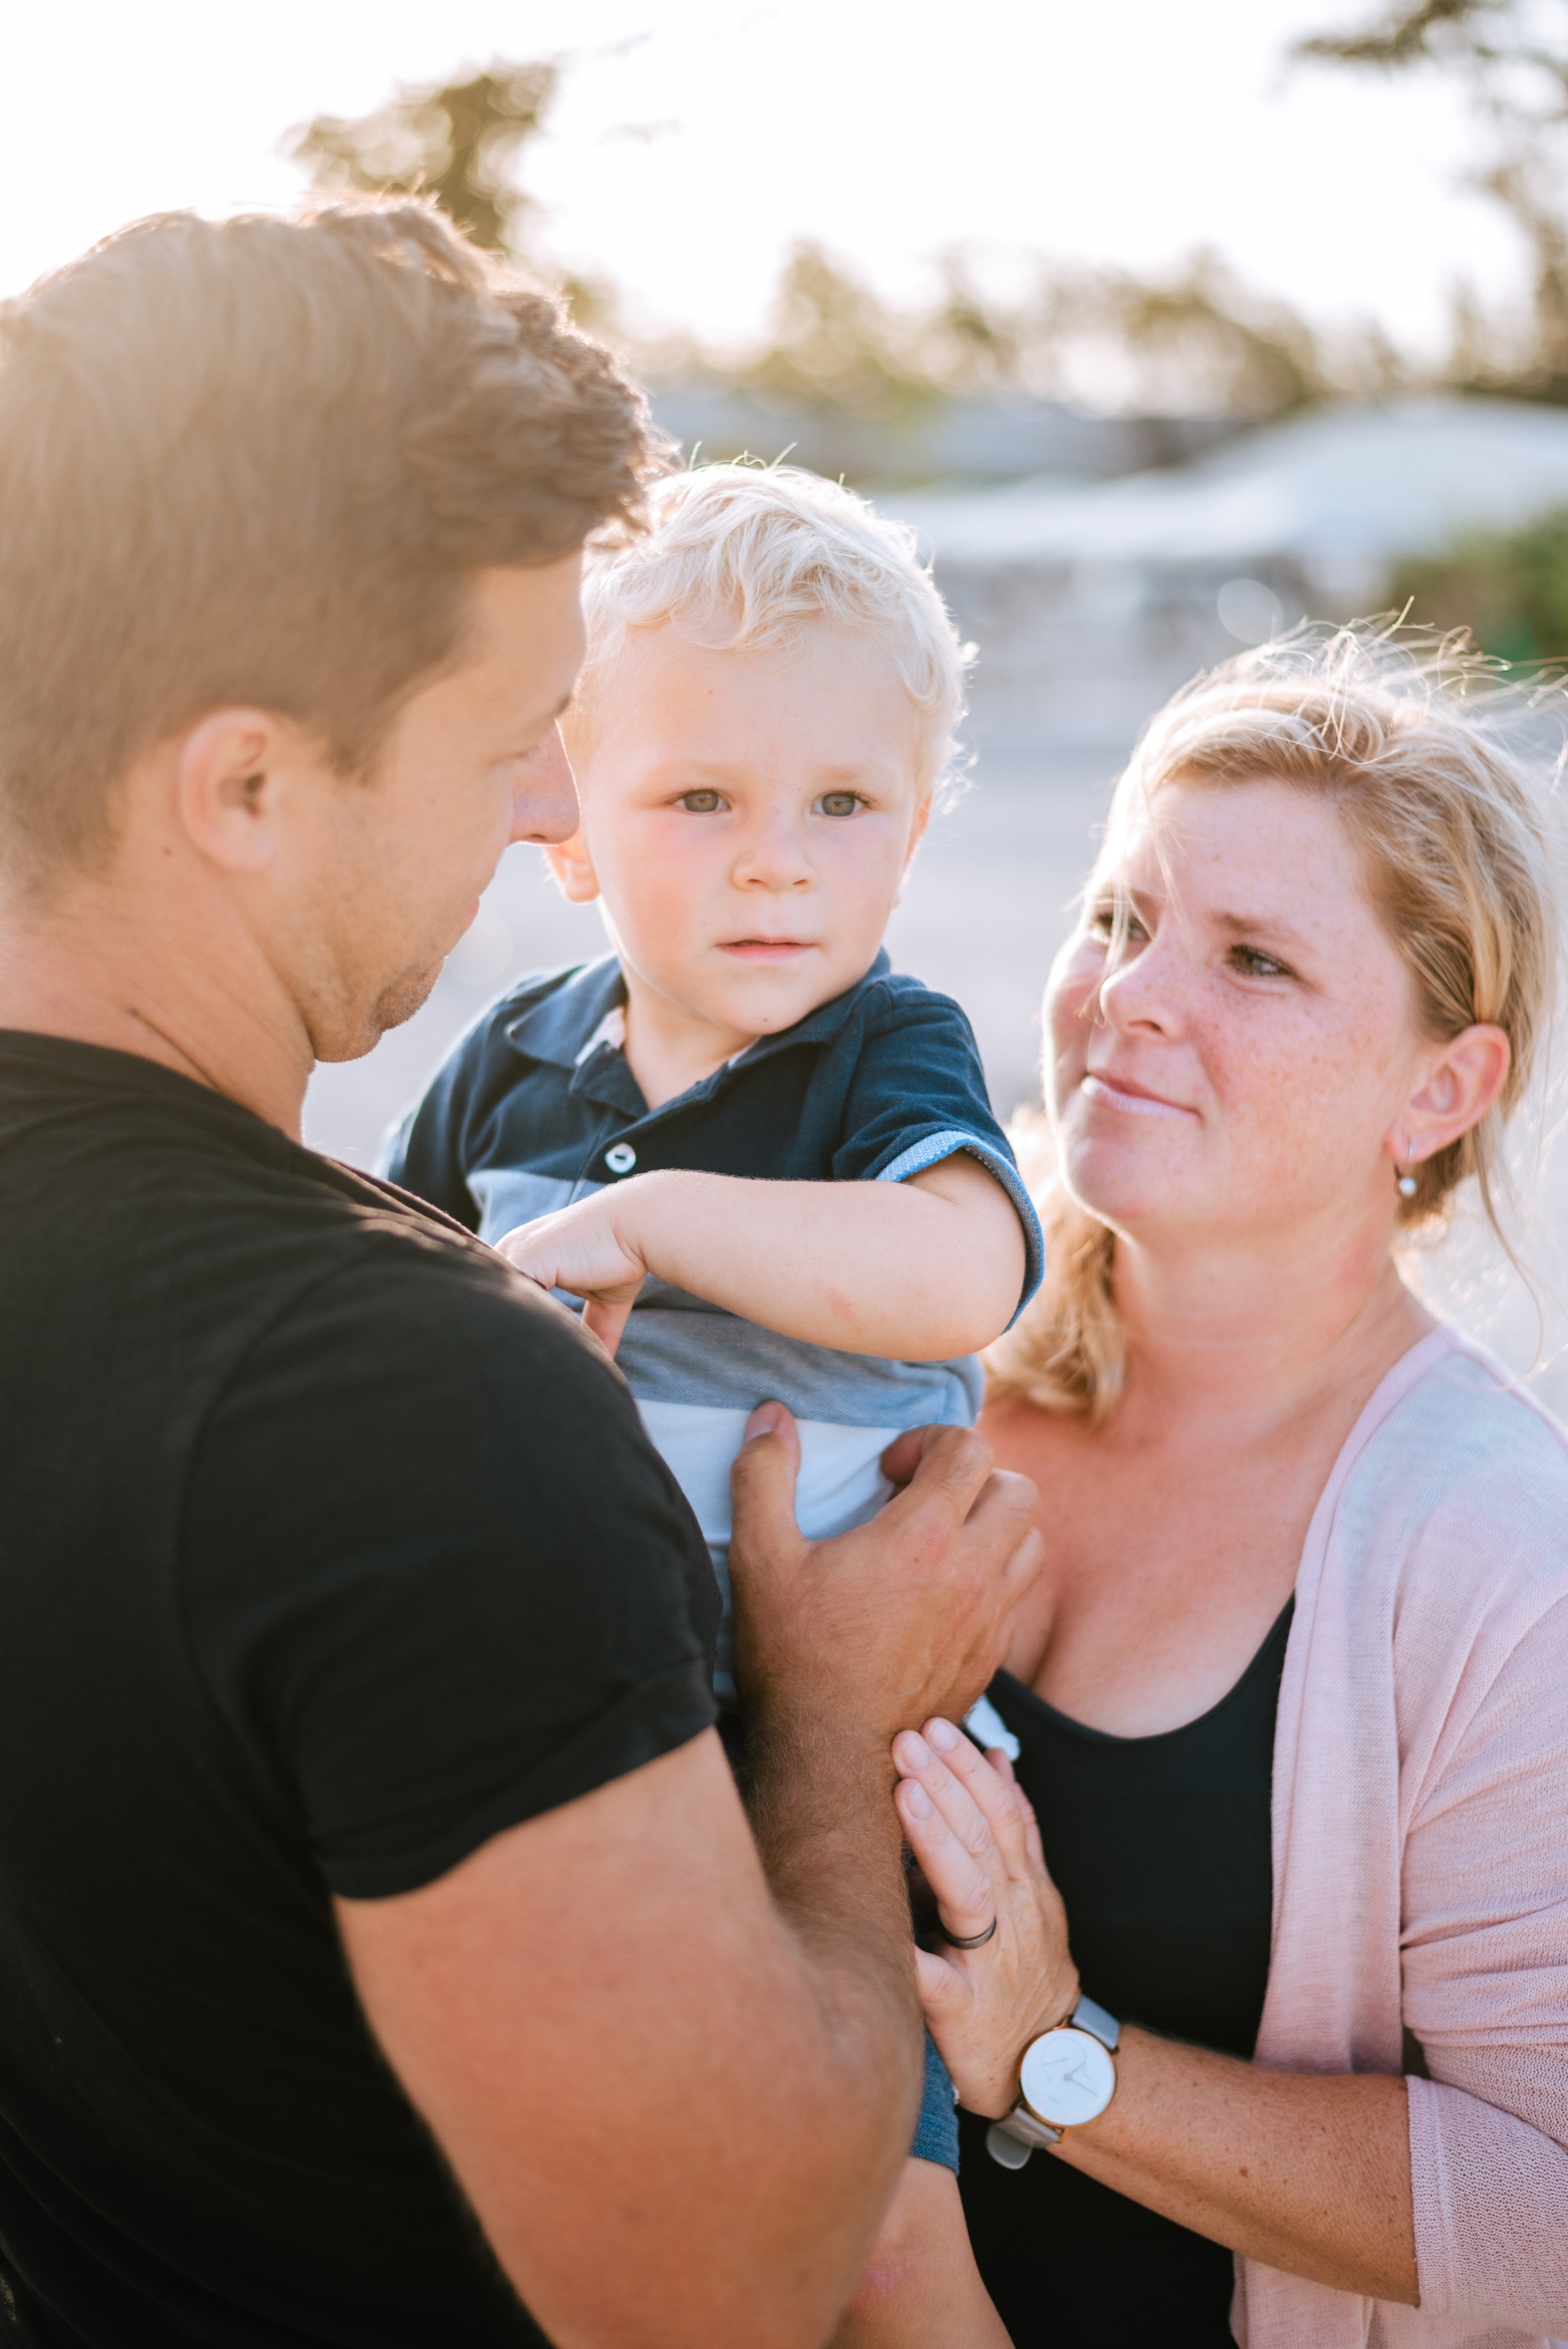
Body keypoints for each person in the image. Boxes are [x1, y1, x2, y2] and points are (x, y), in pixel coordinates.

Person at [0, 199, 1042, 2348]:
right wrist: (836, 1715)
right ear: (250, 785)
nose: (540, 815)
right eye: (506, 745)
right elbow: (727, 2278)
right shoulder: (400, 1402)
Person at [876, 629, 1568, 2349]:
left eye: (1253, 959)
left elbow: (1548, 2207)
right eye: (1119, 917)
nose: (1127, 993)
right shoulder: (902, 1366)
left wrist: (1057, 2051)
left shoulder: (1489, 1545)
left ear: (1442, 1086)